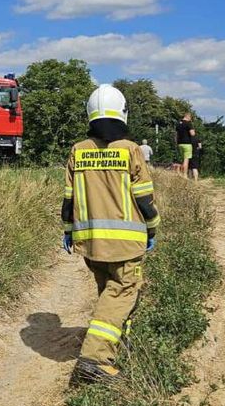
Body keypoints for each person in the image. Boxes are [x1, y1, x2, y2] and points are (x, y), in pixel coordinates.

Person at [61, 84, 160, 384]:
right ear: (123, 113)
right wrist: (152, 228)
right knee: (123, 292)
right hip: (126, 244)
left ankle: (117, 343)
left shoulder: (77, 151)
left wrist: (69, 232)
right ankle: (95, 359)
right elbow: (144, 198)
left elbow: (68, 200)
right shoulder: (130, 150)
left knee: (109, 293)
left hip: (91, 243)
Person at [176, 112, 195, 177]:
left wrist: (176, 142)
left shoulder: (178, 123)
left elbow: (176, 134)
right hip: (187, 143)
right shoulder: (188, 123)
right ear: (188, 117)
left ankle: (179, 173)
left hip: (179, 143)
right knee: (186, 159)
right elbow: (192, 134)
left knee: (182, 159)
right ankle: (184, 175)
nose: (190, 119)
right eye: (190, 118)